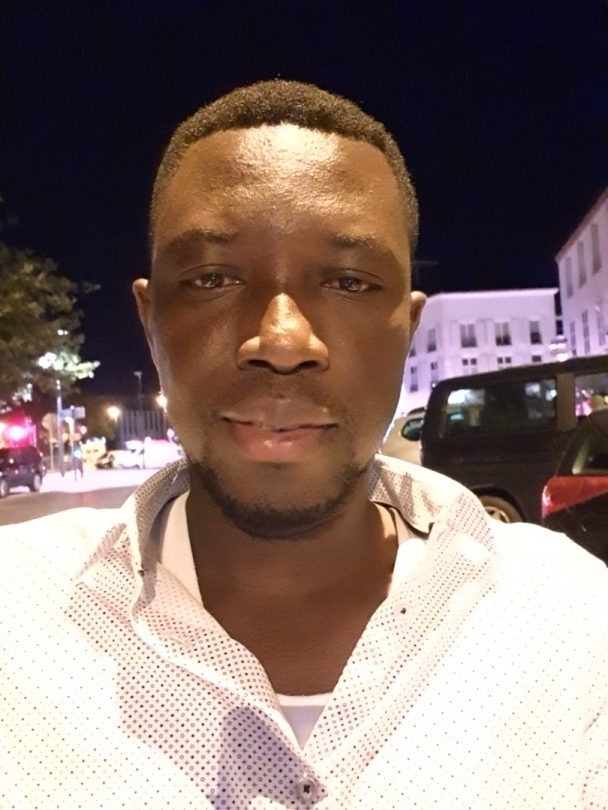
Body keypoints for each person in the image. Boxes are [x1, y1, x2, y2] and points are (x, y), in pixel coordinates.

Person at [0, 81, 606, 810]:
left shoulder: (573, 619)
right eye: (213, 278)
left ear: (408, 327)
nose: (283, 341)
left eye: (349, 281)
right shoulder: (17, 610)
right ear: (150, 319)